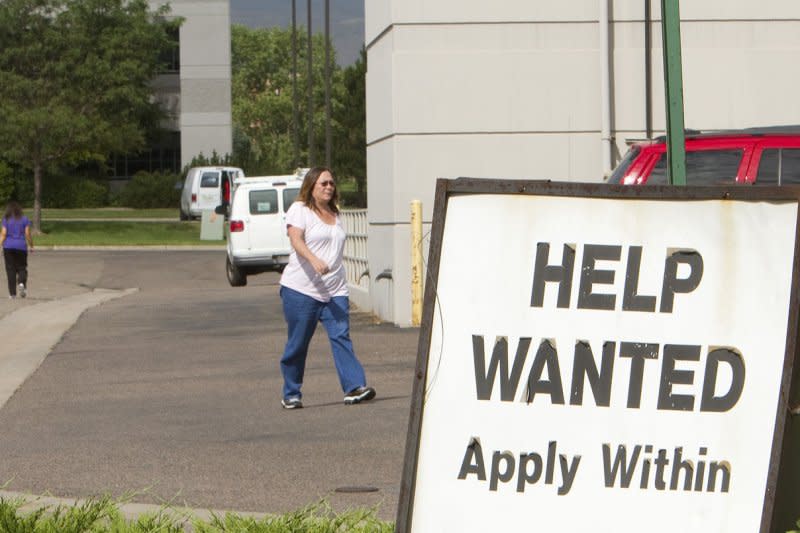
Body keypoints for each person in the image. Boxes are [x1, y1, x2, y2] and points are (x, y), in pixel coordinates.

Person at [278, 167, 376, 409]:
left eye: (332, 183)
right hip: (301, 290)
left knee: (341, 336)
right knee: (298, 343)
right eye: (323, 183)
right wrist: (313, 259)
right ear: (311, 186)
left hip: (335, 290)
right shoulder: (300, 210)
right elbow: (295, 239)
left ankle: (354, 387)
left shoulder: (336, 213)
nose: (329, 187)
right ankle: (291, 392)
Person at [1, 201, 33, 299]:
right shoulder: (25, 219)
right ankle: (21, 283)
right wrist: (31, 245)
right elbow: (27, 234)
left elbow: (3, 234)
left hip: (8, 247)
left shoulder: (6, 219)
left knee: (10, 270)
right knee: (22, 267)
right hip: (21, 247)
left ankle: (12, 294)